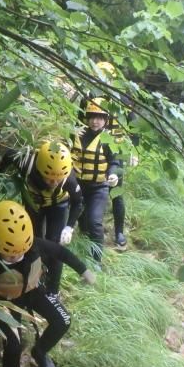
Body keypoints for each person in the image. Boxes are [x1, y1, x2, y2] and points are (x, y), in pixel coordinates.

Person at [0, 200, 96, 367]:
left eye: (19, 252)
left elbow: (61, 252)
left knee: (63, 321)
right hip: (8, 302)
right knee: (12, 345)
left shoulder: (33, 244)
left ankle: (40, 351)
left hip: (34, 291)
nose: (15, 257)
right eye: (10, 254)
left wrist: (83, 270)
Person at [0, 141, 83, 295]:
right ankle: (33, 280)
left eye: (58, 179)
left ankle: (53, 291)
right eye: (50, 178)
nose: (54, 183)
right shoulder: (26, 163)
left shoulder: (69, 178)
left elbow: (78, 203)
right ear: (40, 168)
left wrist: (69, 227)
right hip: (33, 203)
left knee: (55, 244)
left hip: (58, 205)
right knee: (32, 242)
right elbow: (9, 154)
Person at [86, 61, 139, 249]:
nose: (101, 82)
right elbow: (80, 121)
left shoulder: (121, 99)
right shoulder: (90, 98)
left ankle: (119, 232)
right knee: (89, 188)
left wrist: (134, 150)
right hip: (93, 146)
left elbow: (134, 124)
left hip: (116, 148)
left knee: (116, 192)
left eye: (105, 78)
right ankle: (86, 228)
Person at [70, 98, 120, 263]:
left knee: (94, 222)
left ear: (105, 120)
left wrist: (113, 174)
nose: (95, 121)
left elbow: (114, 162)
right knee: (81, 221)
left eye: (99, 118)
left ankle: (96, 261)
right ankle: (79, 247)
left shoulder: (107, 140)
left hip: (98, 187)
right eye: (92, 117)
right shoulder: (77, 134)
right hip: (77, 185)